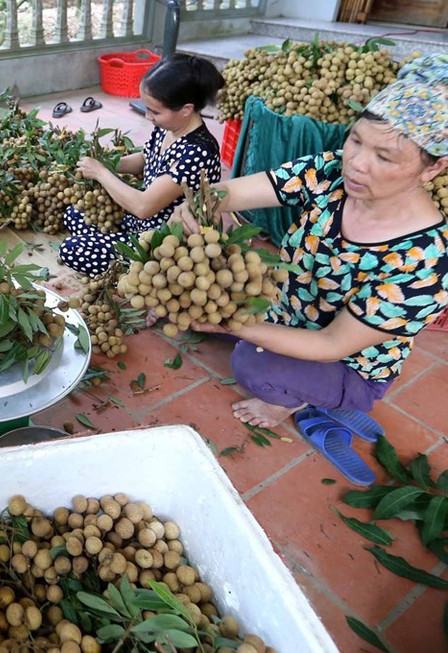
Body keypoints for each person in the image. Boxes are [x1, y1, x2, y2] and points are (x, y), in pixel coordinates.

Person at [173, 54, 447, 428]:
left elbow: (332, 344)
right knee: (194, 307)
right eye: (355, 141)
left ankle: (289, 403)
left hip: (347, 362)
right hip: (290, 311)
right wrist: (203, 201)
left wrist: (232, 325)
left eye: (384, 156)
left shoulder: (427, 266)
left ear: (434, 167)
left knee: (251, 364)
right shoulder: (332, 170)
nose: (356, 164)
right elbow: (238, 191)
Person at [60, 54, 225, 276]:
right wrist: (108, 163)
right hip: (139, 223)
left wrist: (100, 172)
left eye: (155, 111)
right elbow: (146, 159)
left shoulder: (199, 152)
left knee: (72, 250)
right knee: (73, 213)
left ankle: (140, 272)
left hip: (161, 243)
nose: (148, 116)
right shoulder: (168, 127)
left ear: (186, 109)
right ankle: (111, 248)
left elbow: (143, 207)